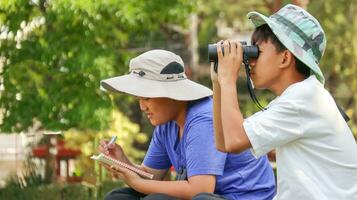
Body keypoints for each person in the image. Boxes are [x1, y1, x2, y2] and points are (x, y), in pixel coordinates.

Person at [211, 4, 357, 200]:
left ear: (285, 58)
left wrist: (228, 79)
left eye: (256, 52)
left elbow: (234, 140)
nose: (249, 61)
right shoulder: (301, 97)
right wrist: (218, 82)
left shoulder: (303, 99)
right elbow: (224, 144)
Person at [98, 49, 276, 200]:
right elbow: (153, 177)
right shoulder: (165, 123)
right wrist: (123, 163)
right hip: (211, 195)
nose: (142, 106)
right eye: (139, 99)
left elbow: (201, 189)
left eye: (147, 97)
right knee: (119, 197)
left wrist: (137, 182)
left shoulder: (203, 119)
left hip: (240, 197)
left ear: (172, 93)